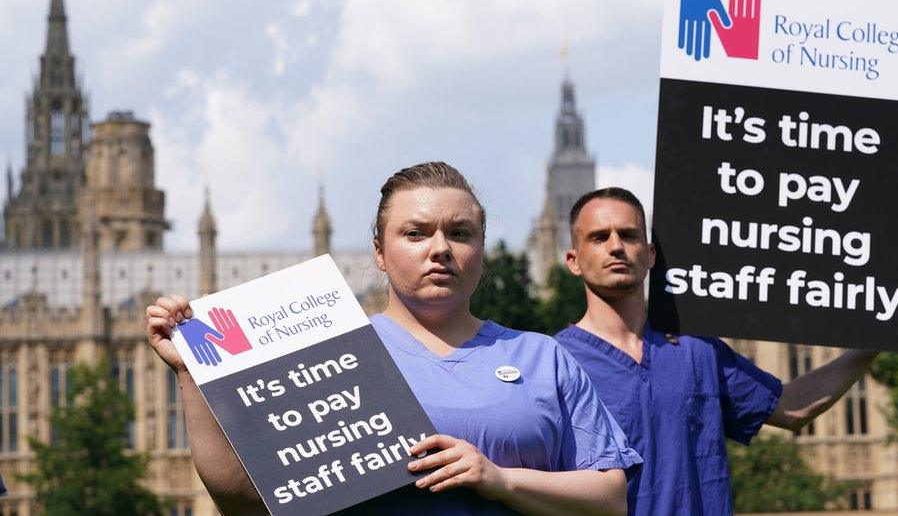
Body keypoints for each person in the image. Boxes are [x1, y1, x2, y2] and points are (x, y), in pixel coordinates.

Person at [146, 163, 640, 515]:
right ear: (380, 253)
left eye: (460, 233)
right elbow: (245, 500)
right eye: (416, 233)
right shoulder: (330, 353)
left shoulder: (542, 358)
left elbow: (610, 498)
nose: (440, 249)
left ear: (482, 250)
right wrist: (191, 371)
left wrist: (501, 480)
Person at [552, 187, 898, 516]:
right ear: (573, 260)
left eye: (629, 235)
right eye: (599, 237)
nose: (617, 245)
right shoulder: (555, 362)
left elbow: (793, 407)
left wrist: (881, 336)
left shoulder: (698, 350)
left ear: (650, 254)